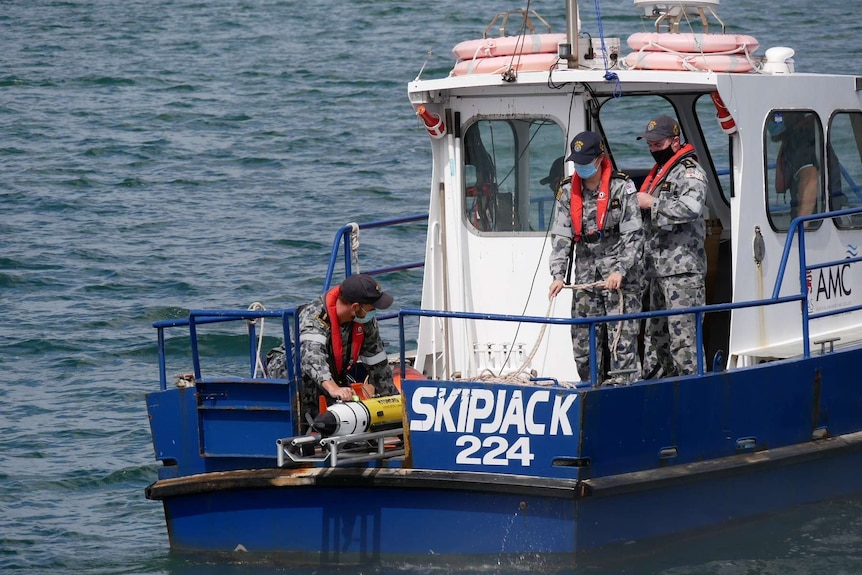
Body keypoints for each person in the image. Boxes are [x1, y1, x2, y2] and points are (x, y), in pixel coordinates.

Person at [548, 131, 644, 385]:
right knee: (583, 344)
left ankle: (624, 393)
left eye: (586, 161)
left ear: (600, 158)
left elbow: (634, 234)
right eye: (577, 161)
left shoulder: (621, 187)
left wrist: (620, 270)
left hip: (619, 277)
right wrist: (558, 275)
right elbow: (560, 236)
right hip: (586, 277)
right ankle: (592, 389)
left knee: (621, 342)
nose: (581, 166)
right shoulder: (568, 190)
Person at [265, 274, 399, 424]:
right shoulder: (314, 316)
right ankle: (304, 424)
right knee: (307, 368)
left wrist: (394, 401)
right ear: (355, 307)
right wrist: (334, 388)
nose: (374, 311)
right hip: (290, 372)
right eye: (372, 308)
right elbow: (311, 357)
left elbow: (377, 361)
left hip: (331, 372)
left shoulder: (365, 321)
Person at [635, 114, 707, 378]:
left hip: (682, 273)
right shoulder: (660, 174)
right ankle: (654, 392)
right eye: (650, 145)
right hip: (656, 271)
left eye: (658, 143)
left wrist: (650, 203)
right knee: (655, 340)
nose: (653, 149)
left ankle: (694, 394)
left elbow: (691, 208)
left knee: (684, 341)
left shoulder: (690, 172)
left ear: (675, 141)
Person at [769, 111, 825, 223]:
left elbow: (810, 181)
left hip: (815, 221)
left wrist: (800, 228)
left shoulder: (800, 137)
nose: (774, 120)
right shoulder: (809, 133)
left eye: (777, 116)